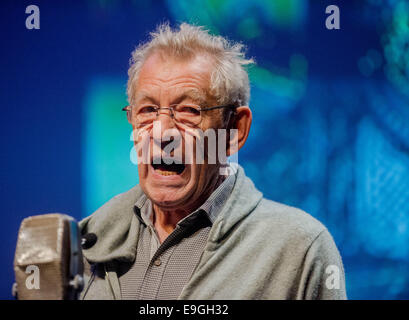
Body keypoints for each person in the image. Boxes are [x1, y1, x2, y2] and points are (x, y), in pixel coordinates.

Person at [79, 23, 347, 300]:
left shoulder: (299, 248)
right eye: (147, 110)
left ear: (235, 130)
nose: (161, 133)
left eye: (188, 111)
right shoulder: (84, 244)